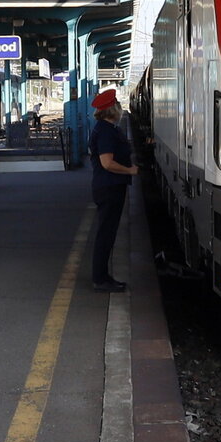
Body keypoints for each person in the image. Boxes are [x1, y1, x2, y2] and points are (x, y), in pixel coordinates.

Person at [87, 88, 139, 292]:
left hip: (109, 187)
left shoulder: (105, 128)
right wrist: (130, 170)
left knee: (107, 234)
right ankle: (100, 279)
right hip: (109, 188)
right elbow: (107, 163)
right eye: (118, 105)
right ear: (112, 110)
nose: (120, 108)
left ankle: (103, 276)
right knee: (105, 235)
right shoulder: (106, 131)